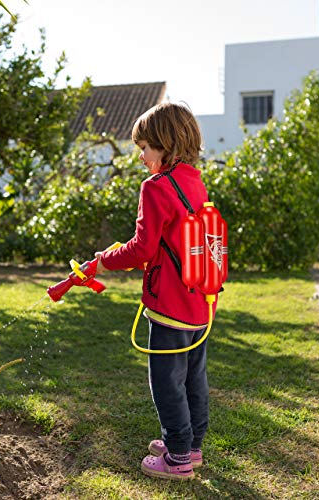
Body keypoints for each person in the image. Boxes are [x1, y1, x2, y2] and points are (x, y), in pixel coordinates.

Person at [96, 102, 214, 481]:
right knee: (194, 379)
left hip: (169, 306)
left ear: (168, 144)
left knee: (166, 383)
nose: (142, 156)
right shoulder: (195, 181)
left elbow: (143, 249)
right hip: (200, 303)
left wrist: (105, 261)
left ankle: (177, 457)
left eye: (146, 147)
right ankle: (191, 447)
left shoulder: (155, 187)